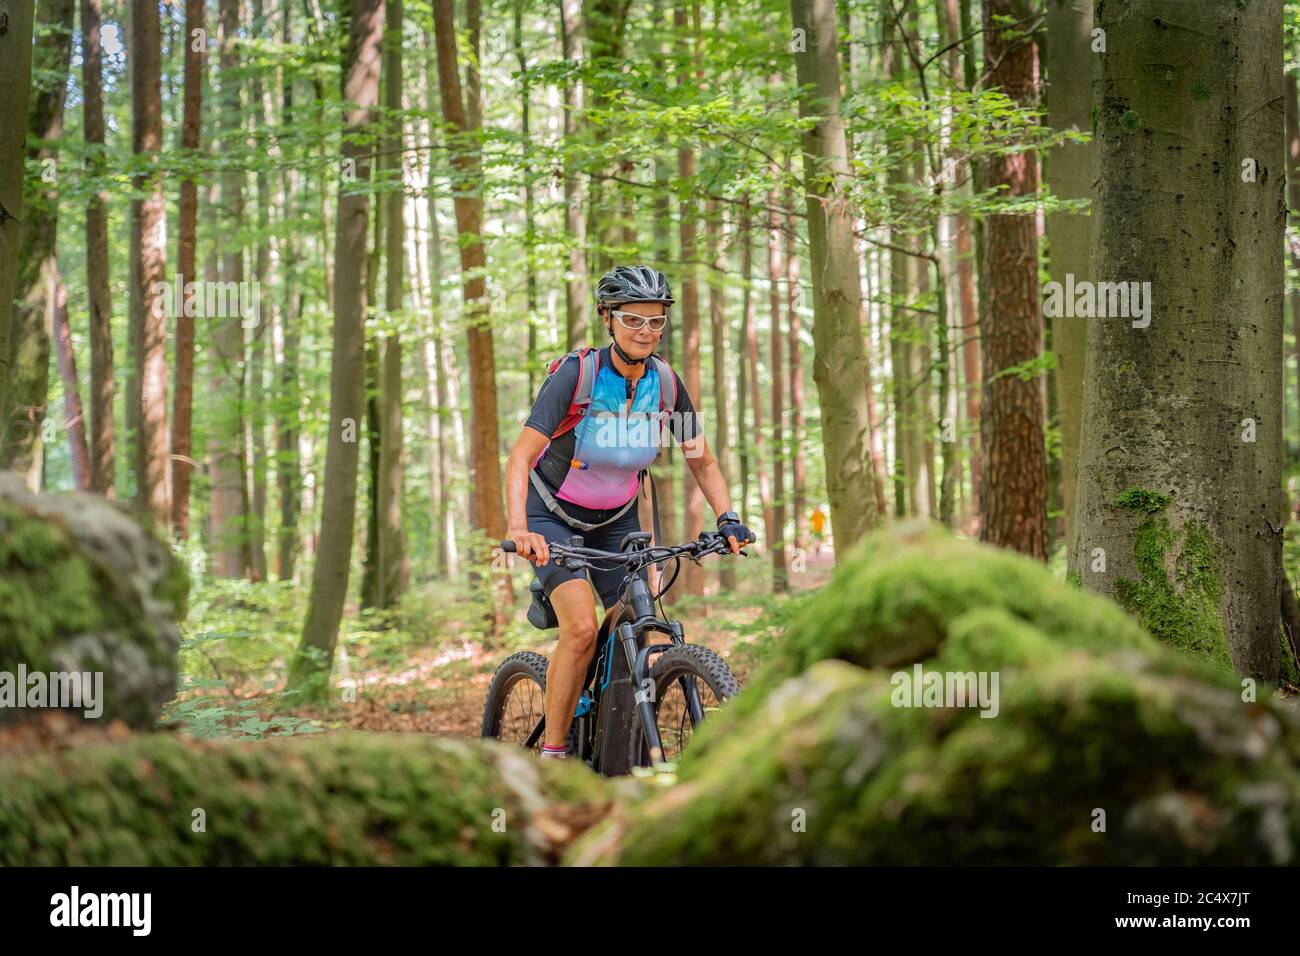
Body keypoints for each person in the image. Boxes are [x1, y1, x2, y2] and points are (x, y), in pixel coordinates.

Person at [503, 265, 754, 759]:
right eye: (633, 319)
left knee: (641, 614)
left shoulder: (664, 383)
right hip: (552, 516)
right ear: (608, 318)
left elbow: (701, 459)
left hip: (617, 521)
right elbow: (519, 459)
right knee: (578, 628)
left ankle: (613, 725)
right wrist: (518, 528)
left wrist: (727, 519)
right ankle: (554, 754)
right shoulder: (577, 377)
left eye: (656, 321)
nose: (645, 331)